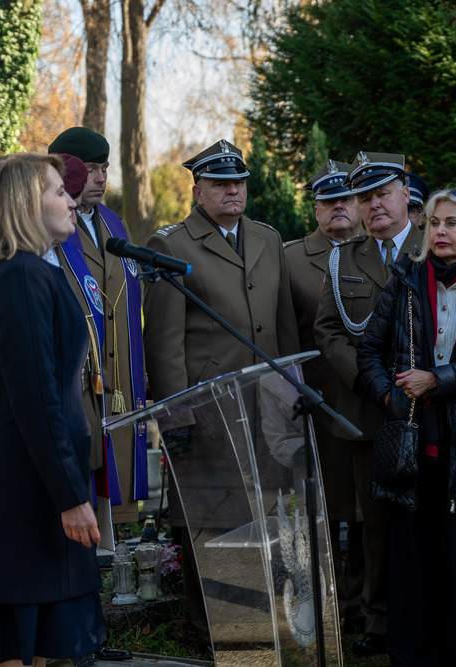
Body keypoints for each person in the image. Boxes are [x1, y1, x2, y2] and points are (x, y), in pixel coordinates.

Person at [143, 138, 299, 644]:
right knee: (210, 519)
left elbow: (283, 325)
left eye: (238, 182)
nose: (232, 190)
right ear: (197, 190)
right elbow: (163, 343)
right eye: (220, 183)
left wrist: (293, 392)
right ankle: (210, 623)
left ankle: (261, 616)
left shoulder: (268, 238)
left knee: (264, 512)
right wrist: (176, 418)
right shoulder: (171, 244)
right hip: (208, 411)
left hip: (267, 406)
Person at [356, 187, 456, 667]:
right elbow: (369, 350)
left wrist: (434, 381)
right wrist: (390, 395)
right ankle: (412, 654)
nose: (441, 231)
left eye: (453, 224)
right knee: (413, 551)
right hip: (411, 436)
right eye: (436, 223)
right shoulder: (405, 278)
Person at [0, 153, 105, 665]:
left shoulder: (31, 270)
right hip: (24, 487)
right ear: (26, 202)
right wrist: (70, 495)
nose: (72, 199)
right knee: (21, 649)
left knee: (42, 645)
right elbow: (36, 397)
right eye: (57, 191)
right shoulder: (21, 276)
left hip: (41, 478)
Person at [314, 151, 424, 656]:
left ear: (405, 193)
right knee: (375, 523)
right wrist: (372, 382)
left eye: (382, 193)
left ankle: (427, 613)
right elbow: (329, 330)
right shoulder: (344, 259)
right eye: (364, 197)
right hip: (368, 411)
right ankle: (379, 621)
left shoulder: (434, 246)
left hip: (429, 409)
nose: (373, 205)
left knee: (426, 518)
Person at [48, 127, 147, 527]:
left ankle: (118, 552)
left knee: (119, 488)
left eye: (104, 168)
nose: (101, 178)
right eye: (90, 169)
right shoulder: (49, 227)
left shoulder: (114, 223)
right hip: (78, 381)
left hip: (119, 374)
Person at [284, 159, 365, 631]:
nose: (339, 207)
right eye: (329, 200)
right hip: (316, 403)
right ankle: (326, 605)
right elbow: (280, 335)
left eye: (347, 199)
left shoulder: (376, 252)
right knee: (324, 509)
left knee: (365, 511)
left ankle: (363, 604)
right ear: (315, 208)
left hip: (372, 401)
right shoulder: (291, 257)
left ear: (358, 205)